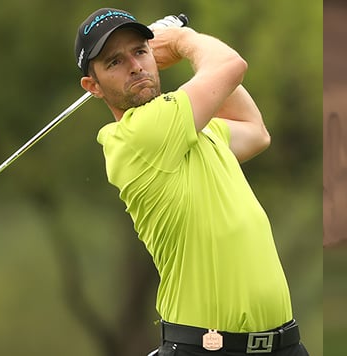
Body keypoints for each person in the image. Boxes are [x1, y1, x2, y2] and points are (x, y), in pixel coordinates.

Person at [74, 8, 308, 356]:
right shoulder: (137, 135)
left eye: (140, 51)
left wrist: (194, 57)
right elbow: (231, 66)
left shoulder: (193, 131)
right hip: (206, 348)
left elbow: (256, 133)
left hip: (283, 346)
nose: (135, 66)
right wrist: (185, 41)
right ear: (92, 86)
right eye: (114, 62)